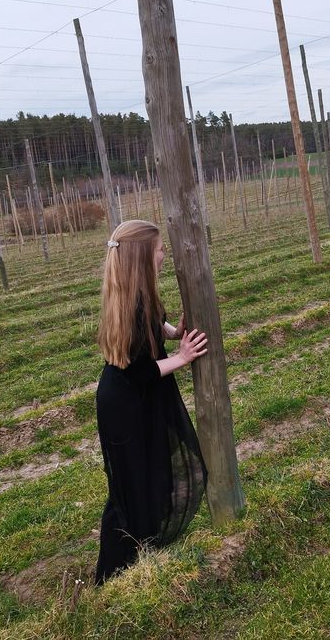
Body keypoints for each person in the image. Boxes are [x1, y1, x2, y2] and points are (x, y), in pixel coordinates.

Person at [95, 219, 208, 583]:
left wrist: (174, 333)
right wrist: (183, 358)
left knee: (152, 469)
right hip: (125, 405)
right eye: (160, 249)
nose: (164, 255)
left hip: (138, 399)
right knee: (130, 484)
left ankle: (147, 543)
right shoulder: (130, 306)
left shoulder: (140, 294)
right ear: (144, 257)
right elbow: (138, 371)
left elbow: (153, 328)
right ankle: (114, 570)